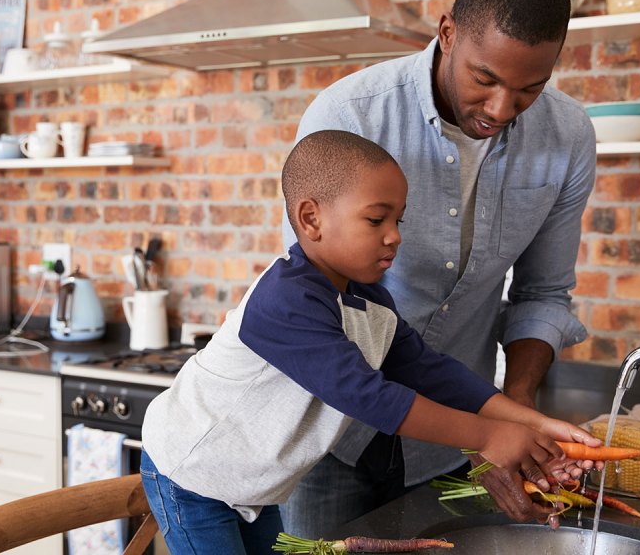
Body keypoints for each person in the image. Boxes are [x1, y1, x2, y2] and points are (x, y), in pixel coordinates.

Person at [141, 130, 599, 554]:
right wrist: (491, 434)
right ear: (311, 218)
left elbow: (429, 371)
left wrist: (535, 423)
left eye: (398, 219)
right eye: (376, 219)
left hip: (248, 483)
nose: (395, 236)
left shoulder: (367, 301)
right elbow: (369, 397)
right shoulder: (286, 299)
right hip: (192, 474)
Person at [279, 0, 598, 537]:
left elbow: (543, 294)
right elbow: (324, 306)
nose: (501, 110)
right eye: (485, 78)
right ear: (447, 31)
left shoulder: (568, 137)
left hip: (451, 450)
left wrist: (516, 417)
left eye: (530, 87)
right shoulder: (350, 115)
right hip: (331, 439)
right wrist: (488, 431)